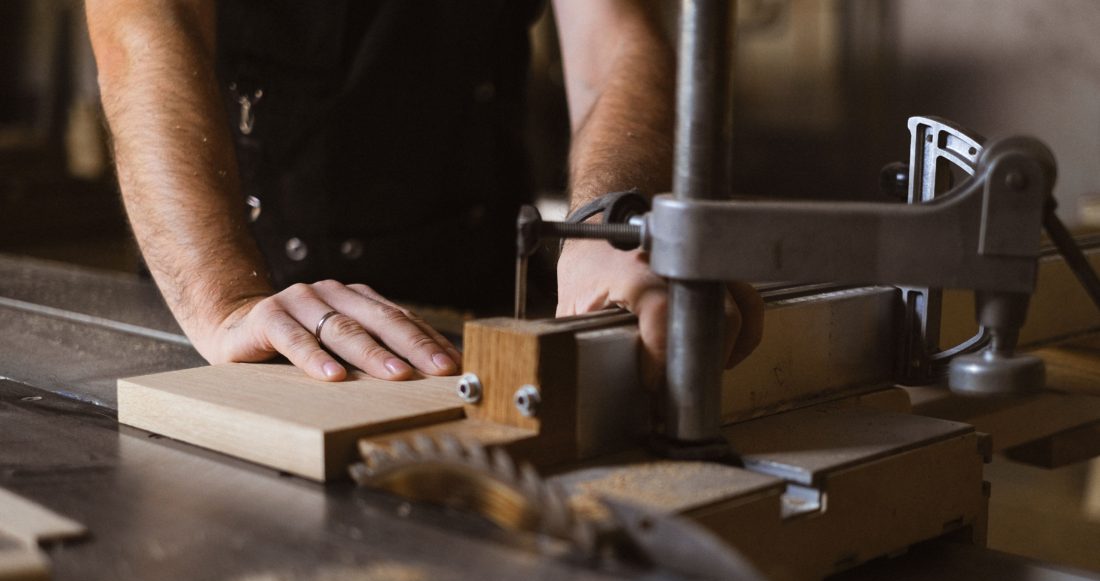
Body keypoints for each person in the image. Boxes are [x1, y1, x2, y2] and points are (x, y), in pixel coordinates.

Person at [85, 0, 763, 387]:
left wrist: (613, 223)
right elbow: (143, 25)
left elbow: (615, 39)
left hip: (479, 283)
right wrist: (223, 298)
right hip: (240, 294)